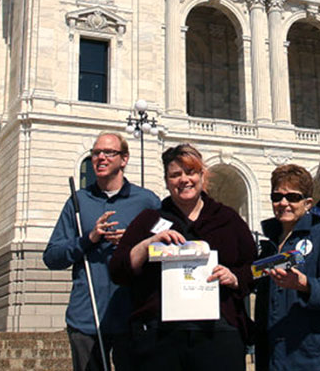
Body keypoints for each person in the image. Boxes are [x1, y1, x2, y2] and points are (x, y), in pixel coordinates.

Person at [108, 143, 256, 371]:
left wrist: (235, 277)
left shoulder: (227, 219)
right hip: (160, 336)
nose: (184, 180)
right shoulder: (149, 220)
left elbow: (253, 268)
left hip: (217, 333)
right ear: (167, 181)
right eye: (175, 175)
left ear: (202, 175)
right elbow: (118, 270)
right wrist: (147, 245)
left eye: (190, 172)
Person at [43, 132, 160, 371]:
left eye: (109, 153)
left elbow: (167, 245)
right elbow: (52, 256)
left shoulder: (146, 201)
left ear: (124, 159)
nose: (101, 158)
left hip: (132, 316)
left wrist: (134, 242)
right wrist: (89, 238)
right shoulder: (77, 202)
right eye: (96, 153)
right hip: (87, 318)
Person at [253, 164, 320, 371]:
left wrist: (308, 285)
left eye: (292, 197)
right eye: (277, 197)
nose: (283, 203)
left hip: (316, 359)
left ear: (308, 203)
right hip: (279, 355)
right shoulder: (270, 245)